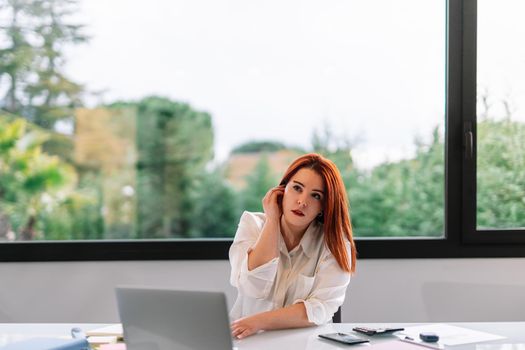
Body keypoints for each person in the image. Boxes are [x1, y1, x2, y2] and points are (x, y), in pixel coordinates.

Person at [229, 153, 357, 339]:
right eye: (297, 188)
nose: (302, 201)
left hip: (303, 344)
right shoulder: (252, 224)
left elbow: (320, 309)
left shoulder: (335, 245)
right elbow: (252, 287)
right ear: (282, 190)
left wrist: (258, 322)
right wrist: (272, 219)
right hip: (247, 341)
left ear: (324, 205)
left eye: (315, 195)